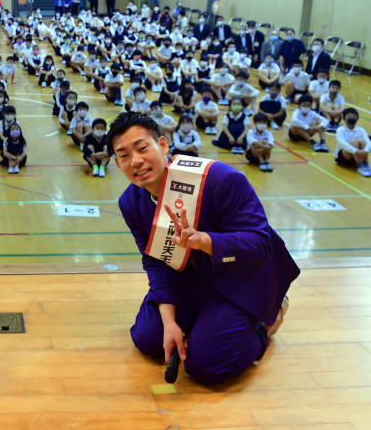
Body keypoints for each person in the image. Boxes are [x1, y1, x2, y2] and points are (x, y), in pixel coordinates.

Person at [108, 111, 299, 386]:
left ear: (163, 146)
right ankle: (200, 324)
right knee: (148, 339)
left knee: (207, 367)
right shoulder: (131, 202)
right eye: (124, 155)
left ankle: (265, 323)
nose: (136, 161)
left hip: (240, 278)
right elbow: (155, 260)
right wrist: (170, 321)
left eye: (142, 148)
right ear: (117, 163)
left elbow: (261, 244)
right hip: (190, 276)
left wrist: (205, 241)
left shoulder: (219, 178)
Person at [335, 108, 371, 177]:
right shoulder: (340, 130)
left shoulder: (361, 129)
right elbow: (343, 144)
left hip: (358, 155)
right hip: (344, 157)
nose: (352, 119)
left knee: (362, 140)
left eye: (354, 117)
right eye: (349, 117)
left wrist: (366, 150)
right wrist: (356, 151)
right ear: (344, 119)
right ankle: (360, 165)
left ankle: (365, 164)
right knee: (354, 141)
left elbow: (368, 141)